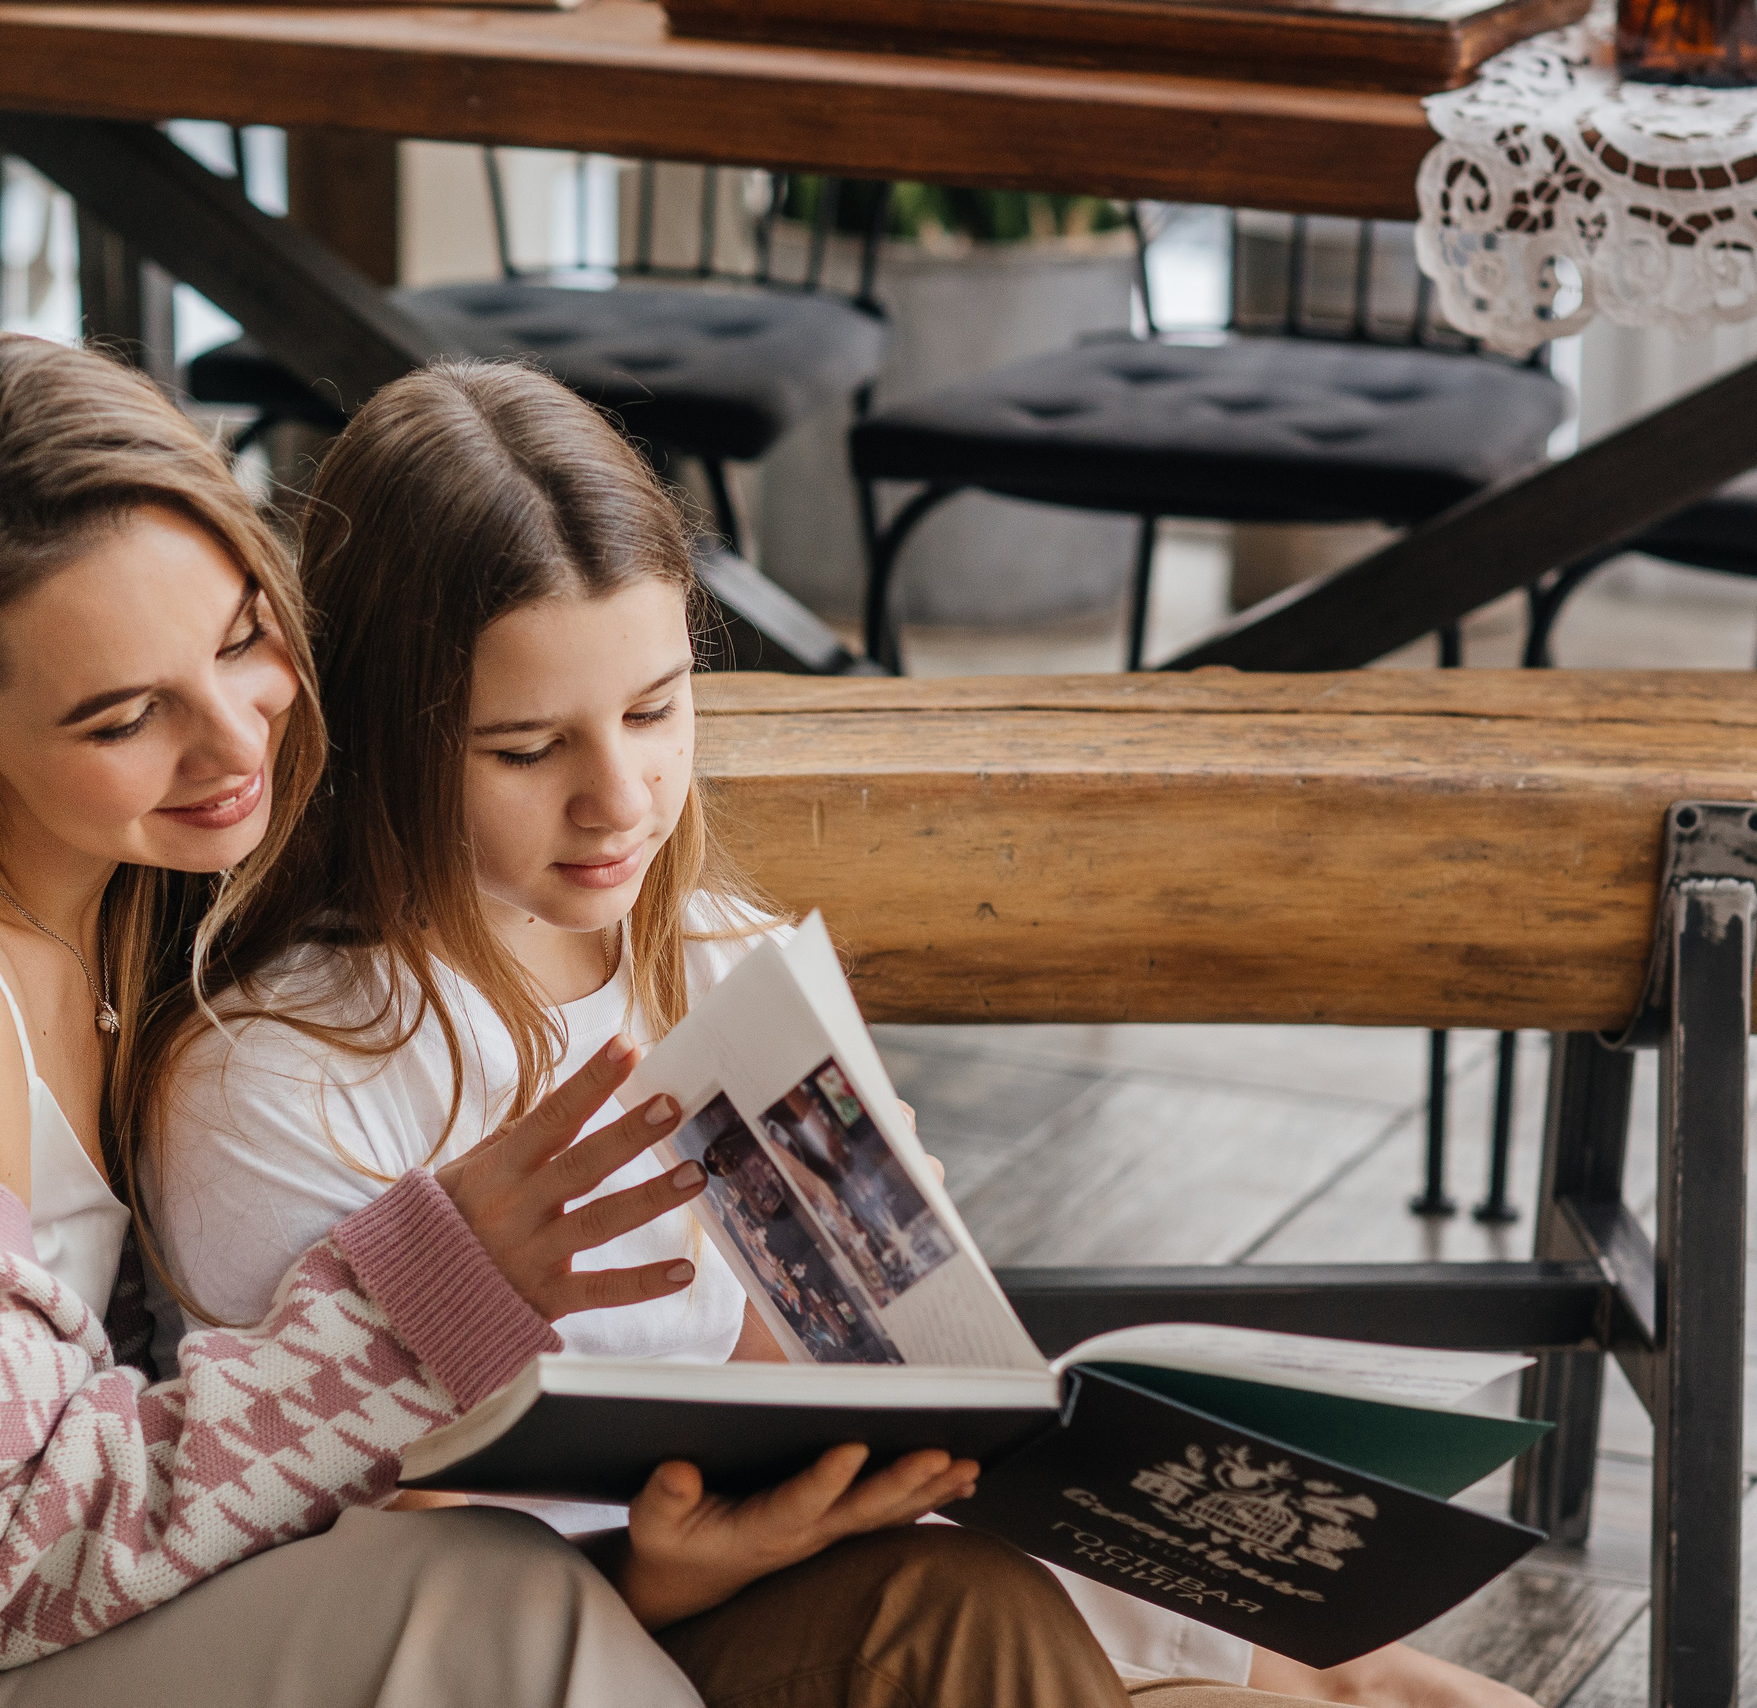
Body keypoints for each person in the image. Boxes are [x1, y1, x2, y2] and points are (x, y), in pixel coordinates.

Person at [0, 329, 1131, 1708]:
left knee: (962, 1602)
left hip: (37, 1602)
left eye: (241, 641)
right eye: (126, 713)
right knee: (482, 1604)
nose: (238, 744)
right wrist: (419, 1298)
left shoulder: (114, 856)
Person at [136, 359, 1536, 1708]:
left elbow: (780, 1400)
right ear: (377, 734)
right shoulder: (280, 1077)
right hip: (589, 1639)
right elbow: (334, 1593)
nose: (618, 797)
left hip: (818, 1551)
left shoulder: (716, 960)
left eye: (654, 709)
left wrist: (865, 1273)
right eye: (525, 748)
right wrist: (661, 1575)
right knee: (979, 1622)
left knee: (1383, 1683)